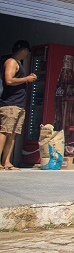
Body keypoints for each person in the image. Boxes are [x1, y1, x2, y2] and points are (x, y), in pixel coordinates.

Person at [1, 40, 36, 170]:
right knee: (5, 131)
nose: (27, 54)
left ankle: (7, 162)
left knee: (13, 133)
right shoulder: (11, 62)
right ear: (23, 50)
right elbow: (8, 79)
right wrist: (26, 79)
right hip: (10, 104)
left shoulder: (19, 64)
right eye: (27, 51)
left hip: (18, 105)